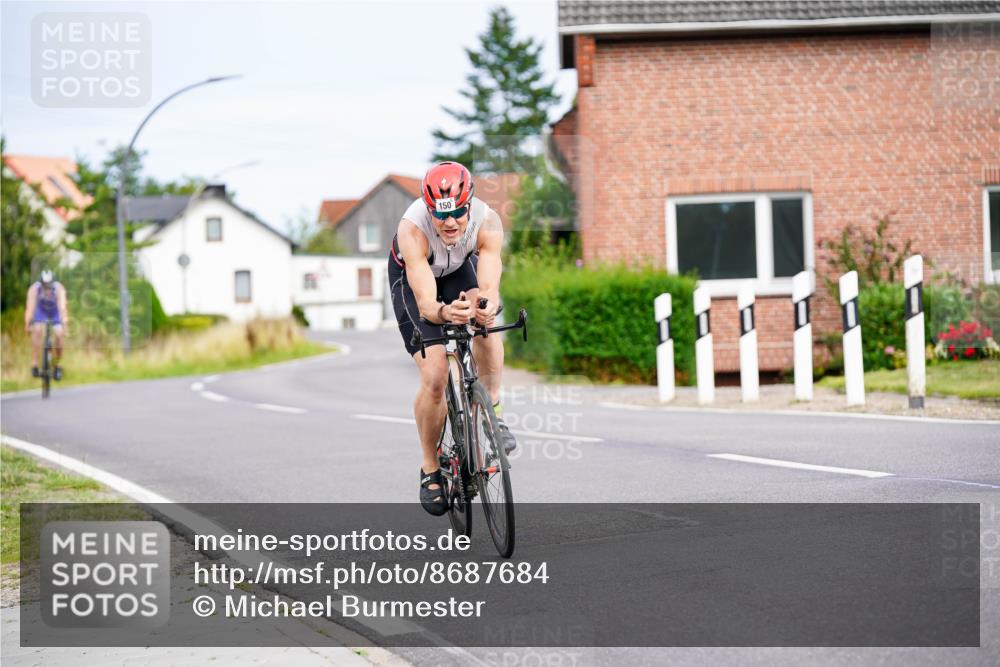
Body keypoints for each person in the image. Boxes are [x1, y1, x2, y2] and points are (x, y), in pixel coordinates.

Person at [388, 161, 517, 516]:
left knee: (485, 324)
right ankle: (430, 467)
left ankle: (494, 410)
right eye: (440, 215)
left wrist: (485, 304)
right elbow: (428, 303)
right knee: (435, 375)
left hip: (458, 270)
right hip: (415, 283)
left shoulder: (487, 221)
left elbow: (488, 281)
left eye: (458, 213)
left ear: (469, 204)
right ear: (429, 210)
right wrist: (444, 313)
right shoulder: (412, 230)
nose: (450, 223)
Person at [25, 269, 69, 380]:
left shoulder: (59, 289)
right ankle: (34, 363)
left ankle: (57, 364)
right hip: (41, 311)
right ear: (41, 283)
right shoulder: (34, 289)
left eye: (49, 285)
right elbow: (30, 308)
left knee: (59, 335)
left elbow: (63, 307)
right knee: (37, 330)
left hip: (55, 312)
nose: (47, 288)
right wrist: (28, 323)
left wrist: (64, 323)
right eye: (45, 285)